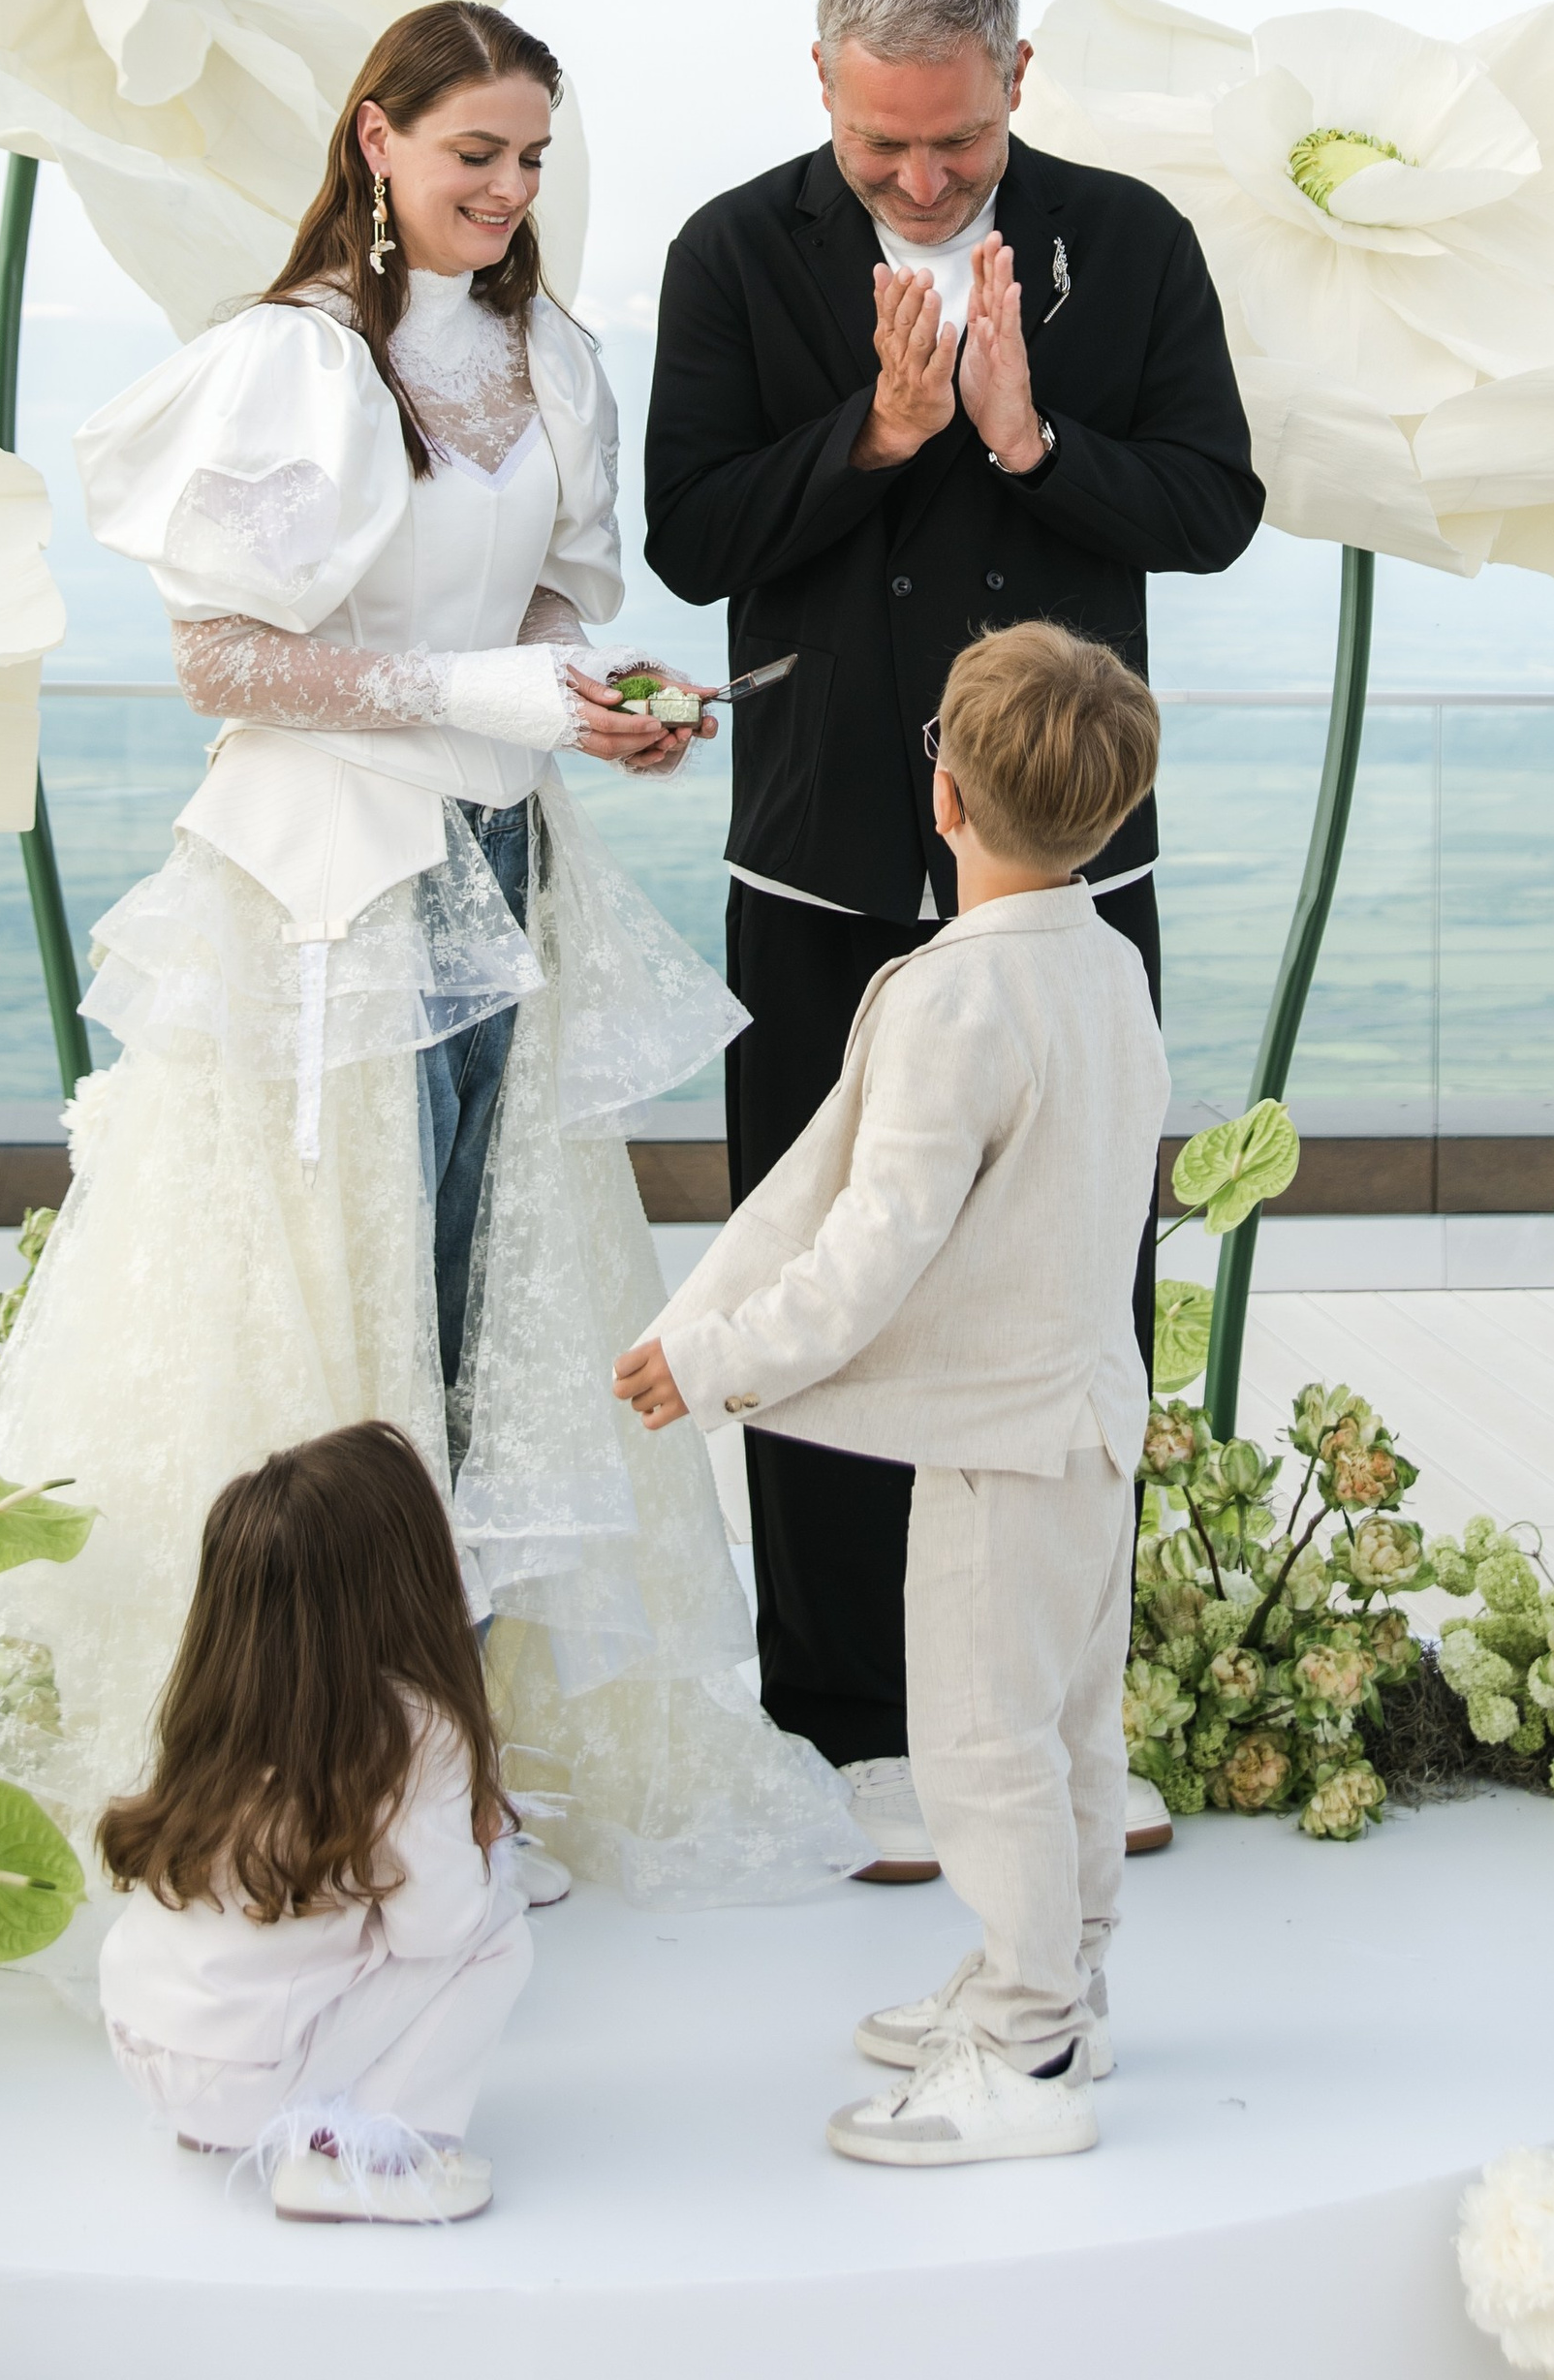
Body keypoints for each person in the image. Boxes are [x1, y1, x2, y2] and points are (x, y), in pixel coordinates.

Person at [0, 1, 863, 1908]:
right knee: (339, 1329)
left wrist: (607, 709)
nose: (503, 190)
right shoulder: (289, 363)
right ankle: (320, 1774)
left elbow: (537, 625)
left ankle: (462, 1771)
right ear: (375, 140)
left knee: (486, 1341)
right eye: (471, 151)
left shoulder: (545, 357)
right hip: (324, 896)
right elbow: (221, 660)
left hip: (501, 866)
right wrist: (469, 683)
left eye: (527, 158)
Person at [641, 0, 1261, 1871]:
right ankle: (842, 1723)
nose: (918, 180)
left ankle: (1067, 1701)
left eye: (957, 144)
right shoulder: (733, 253)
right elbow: (689, 535)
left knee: (1077, 1279)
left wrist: (1023, 442)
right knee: (819, 1258)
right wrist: (878, 437)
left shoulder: (1128, 243)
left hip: (1070, 872)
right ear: (821, 88)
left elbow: (1211, 507)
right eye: (879, 147)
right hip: (820, 853)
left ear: (1015, 77)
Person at [615, 624, 1167, 2168]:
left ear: (943, 793)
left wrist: (718, 1358)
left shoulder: (949, 1002)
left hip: (997, 1440)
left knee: (984, 1745)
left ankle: (1025, 2043)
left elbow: (868, 1250)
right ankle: (1062, 1981)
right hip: (1090, 1420)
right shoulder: (1110, 969)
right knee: (1070, 1722)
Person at [97, 1425, 532, 2224]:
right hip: (244, 2074)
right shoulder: (413, 1726)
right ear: (406, 1575)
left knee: (317, 1928)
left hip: (138, 2037)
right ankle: (362, 2155)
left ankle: (221, 2128)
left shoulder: (221, 1698)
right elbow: (441, 1929)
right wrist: (482, 1844)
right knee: (498, 1923)